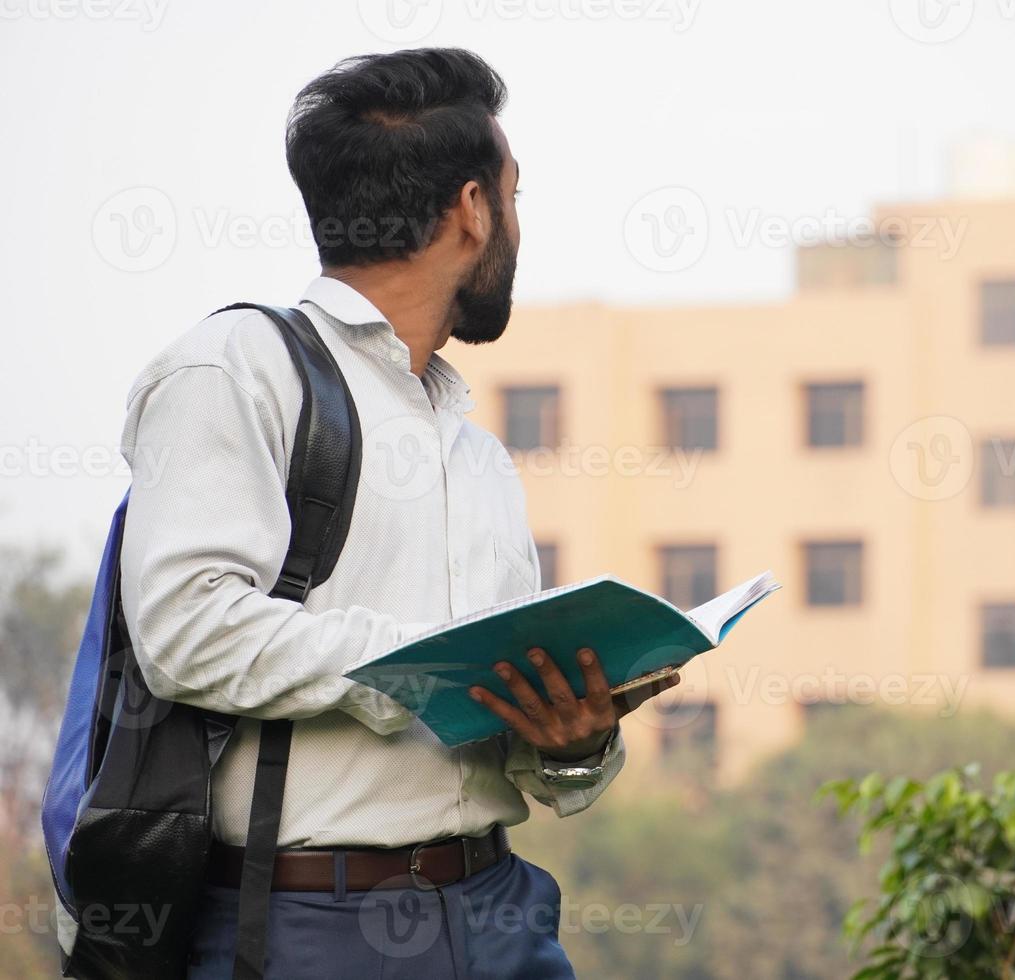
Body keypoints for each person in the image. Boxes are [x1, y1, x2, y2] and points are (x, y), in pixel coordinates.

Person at [116, 47, 672, 977]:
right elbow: (185, 628)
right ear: (471, 209)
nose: (517, 231)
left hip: (501, 912)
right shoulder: (232, 368)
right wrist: (420, 664)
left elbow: (517, 759)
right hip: (303, 924)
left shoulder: (475, 451)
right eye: (514, 199)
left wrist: (576, 742)